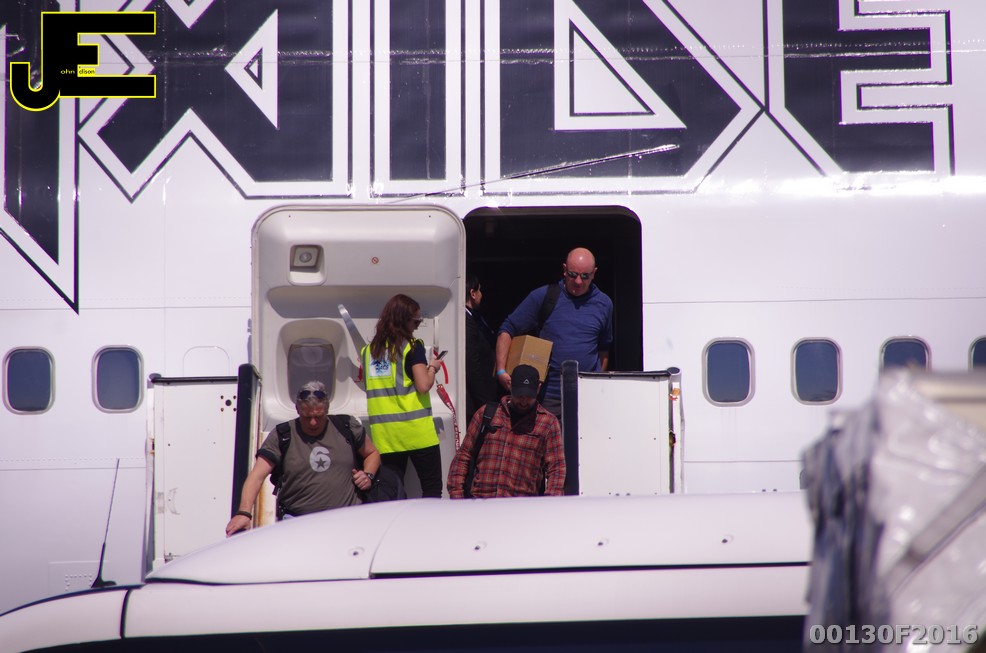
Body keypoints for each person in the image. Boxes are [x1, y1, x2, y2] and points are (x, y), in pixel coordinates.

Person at [225, 381, 381, 536]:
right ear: (297, 410)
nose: (313, 423)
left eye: (319, 416)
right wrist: (244, 513)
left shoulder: (346, 426)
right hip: (298, 522)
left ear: (327, 410)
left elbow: (372, 454)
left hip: (347, 520)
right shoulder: (282, 435)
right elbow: (257, 476)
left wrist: (368, 475)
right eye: (307, 417)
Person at [495, 247, 613, 417]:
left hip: (587, 396)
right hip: (549, 398)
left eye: (585, 276)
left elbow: (603, 348)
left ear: (594, 273)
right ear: (564, 270)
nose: (578, 281)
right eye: (573, 274)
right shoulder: (544, 296)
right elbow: (507, 328)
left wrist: (597, 382)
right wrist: (501, 370)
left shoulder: (604, 304)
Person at [361, 294, 444, 498]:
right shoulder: (412, 347)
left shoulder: (368, 352)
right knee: (432, 489)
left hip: (386, 436)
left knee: (392, 492)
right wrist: (433, 368)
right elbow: (423, 386)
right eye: (416, 321)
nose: (417, 326)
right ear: (402, 320)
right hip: (417, 432)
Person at [448, 364, 566, 498]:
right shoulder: (486, 414)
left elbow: (556, 468)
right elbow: (464, 455)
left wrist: (551, 502)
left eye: (529, 396)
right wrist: (456, 494)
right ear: (510, 386)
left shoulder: (548, 423)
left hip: (521, 506)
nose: (523, 401)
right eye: (519, 395)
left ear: (538, 389)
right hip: (481, 503)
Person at [464, 273, 499, 418]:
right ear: (473, 293)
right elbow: (472, 364)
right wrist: (485, 402)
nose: (481, 294)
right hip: (478, 398)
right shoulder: (467, 322)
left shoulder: (475, 317)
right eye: (479, 290)